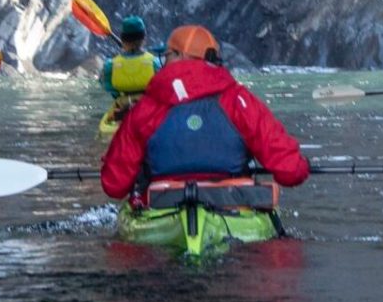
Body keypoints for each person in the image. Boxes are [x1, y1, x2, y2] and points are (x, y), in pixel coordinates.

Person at [99, 23, 309, 199]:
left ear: (180, 55)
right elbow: (290, 171)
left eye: (167, 55)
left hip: (162, 205)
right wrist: (302, 166)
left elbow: (114, 185)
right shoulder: (239, 101)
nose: (164, 62)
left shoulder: (146, 109)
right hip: (232, 204)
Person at [101, 16, 160, 99]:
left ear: (122, 39)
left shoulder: (110, 65)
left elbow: (105, 85)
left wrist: (117, 96)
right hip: (147, 105)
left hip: (122, 105)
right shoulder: (155, 63)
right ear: (144, 38)